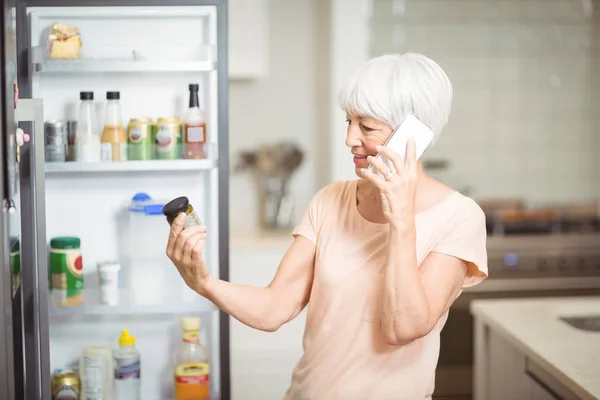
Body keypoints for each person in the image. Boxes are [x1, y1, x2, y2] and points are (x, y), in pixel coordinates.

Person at [166, 52, 488, 400]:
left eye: (366, 127)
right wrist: (204, 283)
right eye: (348, 122)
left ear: (414, 137)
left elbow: (403, 327)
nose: (350, 138)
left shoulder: (459, 217)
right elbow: (275, 307)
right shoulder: (331, 200)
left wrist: (400, 220)